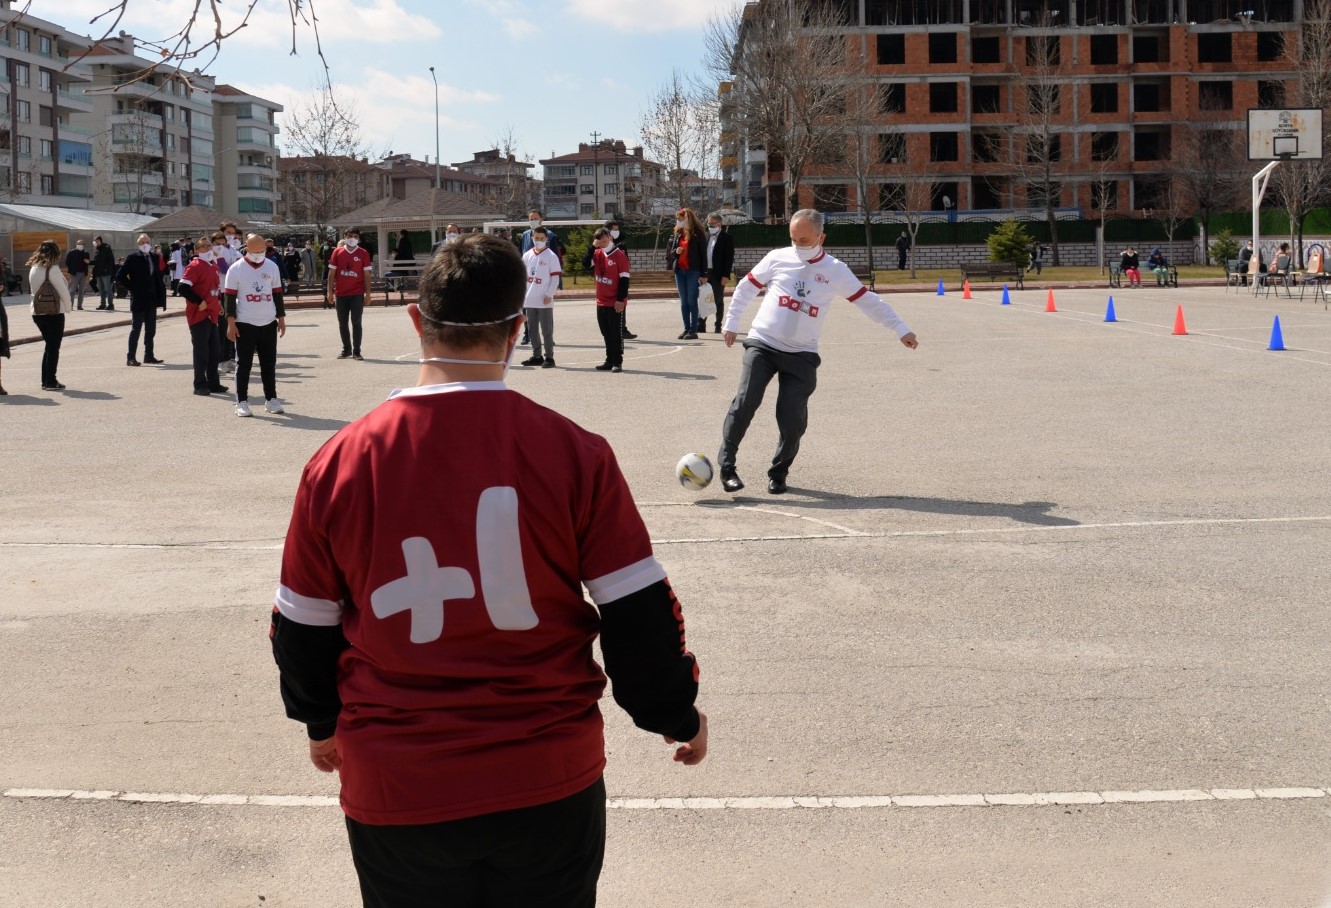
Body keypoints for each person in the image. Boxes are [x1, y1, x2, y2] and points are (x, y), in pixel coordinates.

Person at [268, 232, 705, 908]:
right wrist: (673, 712)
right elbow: (636, 610)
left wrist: (319, 722)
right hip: (545, 772)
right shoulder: (575, 451)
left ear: (415, 321)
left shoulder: (340, 461)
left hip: (398, 778)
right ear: (517, 328)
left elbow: (302, 624)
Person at [718, 209, 918, 495]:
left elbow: (868, 301)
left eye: (804, 240)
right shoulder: (777, 258)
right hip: (763, 343)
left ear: (820, 237)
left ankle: (779, 472)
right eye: (793, 239)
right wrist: (732, 323)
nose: (798, 245)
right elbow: (745, 288)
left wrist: (900, 328)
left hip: (802, 354)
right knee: (745, 402)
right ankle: (727, 467)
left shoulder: (835, 270)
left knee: (792, 419)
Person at [224, 234, 287, 417]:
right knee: (244, 364)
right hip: (245, 322)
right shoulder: (236, 269)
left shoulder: (272, 266)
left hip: (268, 321)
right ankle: (241, 402)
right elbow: (229, 298)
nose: (259, 254)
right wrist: (231, 323)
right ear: (247, 249)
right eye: (255, 251)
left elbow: (277, 294)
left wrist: (281, 318)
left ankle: (271, 399)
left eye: (262, 251)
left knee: (269, 363)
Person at [178, 233, 228, 398]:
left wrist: (219, 304)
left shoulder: (213, 266)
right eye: (204, 246)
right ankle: (199, 384)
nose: (208, 249)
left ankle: (213, 383)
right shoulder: (195, 265)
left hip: (212, 314)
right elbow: (182, 288)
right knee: (202, 352)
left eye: (209, 246)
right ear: (196, 250)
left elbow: (215, 290)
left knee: (214, 351)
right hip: (199, 315)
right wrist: (199, 302)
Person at [27, 239, 73, 391]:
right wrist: (68, 307)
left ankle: (46, 380)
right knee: (53, 348)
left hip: (37, 312)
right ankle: (50, 381)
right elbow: (63, 290)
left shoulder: (34, 267)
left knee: (49, 346)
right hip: (54, 312)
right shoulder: (52, 269)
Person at [116, 233, 168, 367]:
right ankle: (131, 357)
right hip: (139, 297)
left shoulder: (154, 257)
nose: (145, 244)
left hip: (152, 297)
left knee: (151, 329)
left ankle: (149, 355)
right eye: (142, 242)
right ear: (138, 244)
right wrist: (133, 287)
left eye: (147, 242)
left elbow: (158, 275)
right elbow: (120, 276)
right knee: (136, 328)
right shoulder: (133, 257)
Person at [519, 225, 562, 369]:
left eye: (541, 238)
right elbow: (522, 277)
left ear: (546, 239)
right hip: (529, 300)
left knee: (546, 330)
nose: (538, 240)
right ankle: (537, 355)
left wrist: (549, 294)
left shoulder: (551, 256)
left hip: (544, 300)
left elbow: (555, 279)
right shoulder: (527, 255)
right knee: (532, 330)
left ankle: (549, 357)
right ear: (532, 238)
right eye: (536, 238)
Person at [328, 227, 372, 361]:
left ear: (359, 238)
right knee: (342, 323)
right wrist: (329, 291)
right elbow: (332, 273)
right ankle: (346, 349)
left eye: (355, 236)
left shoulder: (363, 253)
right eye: (350, 236)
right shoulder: (337, 252)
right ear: (345, 237)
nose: (352, 238)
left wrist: (368, 293)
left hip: (357, 293)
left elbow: (367, 274)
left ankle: (357, 351)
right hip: (340, 293)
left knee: (356, 322)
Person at [591, 227, 630, 372]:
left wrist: (620, 299)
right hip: (601, 300)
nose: (602, 243)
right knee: (605, 332)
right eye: (599, 241)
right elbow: (585, 263)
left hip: (615, 301)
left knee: (615, 333)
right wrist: (592, 247)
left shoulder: (619, 255)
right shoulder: (597, 253)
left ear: (610, 238)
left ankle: (617, 361)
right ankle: (608, 360)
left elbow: (625, 280)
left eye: (604, 240)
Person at [668, 208, 708, 338]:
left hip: (693, 271)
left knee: (692, 301)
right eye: (677, 219)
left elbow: (703, 255)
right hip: (680, 271)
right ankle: (686, 329)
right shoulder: (678, 233)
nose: (678, 222)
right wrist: (676, 252)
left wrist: (704, 274)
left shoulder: (698, 234)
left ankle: (693, 330)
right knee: (684, 302)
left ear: (687, 220)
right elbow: (671, 253)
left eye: (680, 219)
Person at [604, 219, 636, 340]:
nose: (617, 232)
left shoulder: (621, 243)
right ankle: (614, 329)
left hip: (621, 278)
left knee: (621, 303)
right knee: (610, 306)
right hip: (608, 280)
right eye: (614, 229)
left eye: (618, 229)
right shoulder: (604, 245)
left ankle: (622, 329)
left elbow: (625, 261)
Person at [704, 212, 735, 335]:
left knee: (718, 300)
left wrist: (726, 275)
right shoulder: (706, 236)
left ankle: (718, 325)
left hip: (718, 274)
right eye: (708, 224)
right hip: (706, 273)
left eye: (712, 224)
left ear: (719, 224)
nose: (710, 226)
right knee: (704, 299)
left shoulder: (726, 238)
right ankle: (701, 324)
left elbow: (729, 258)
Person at [92, 236, 116, 310]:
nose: (95, 243)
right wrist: (89, 262)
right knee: (101, 289)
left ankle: (111, 304)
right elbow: (96, 262)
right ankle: (103, 304)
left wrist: (107, 269)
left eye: (96, 241)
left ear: (100, 241)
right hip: (99, 273)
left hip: (106, 273)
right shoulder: (97, 250)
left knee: (108, 289)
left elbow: (111, 261)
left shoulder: (106, 248)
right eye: (94, 241)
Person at [65, 239, 90, 310]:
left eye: (81, 244)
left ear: (83, 245)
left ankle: (79, 306)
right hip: (74, 274)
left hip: (83, 274)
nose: (80, 245)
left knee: (81, 291)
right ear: (76, 244)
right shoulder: (71, 252)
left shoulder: (86, 253)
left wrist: (88, 262)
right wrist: (72, 270)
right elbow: (67, 262)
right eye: (78, 244)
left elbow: (88, 262)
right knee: (72, 290)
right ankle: (70, 306)